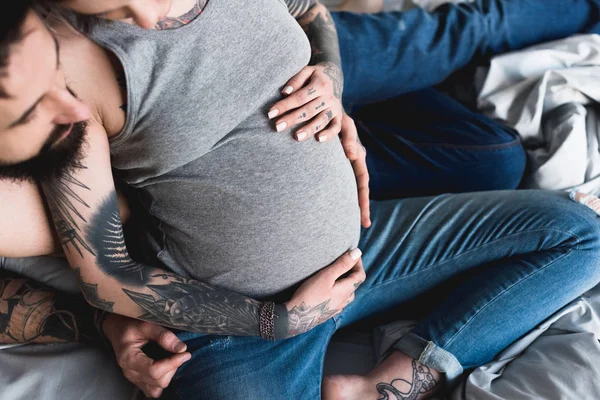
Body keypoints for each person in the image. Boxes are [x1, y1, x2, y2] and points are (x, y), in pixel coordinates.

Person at [3, 1, 600, 399]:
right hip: (236, 328)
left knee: (580, 233)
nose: (144, 15)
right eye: (108, 6)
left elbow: (309, 8)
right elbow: (105, 273)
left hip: (362, 254)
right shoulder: (68, 78)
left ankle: (398, 379)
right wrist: (275, 320)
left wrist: (330, 78)